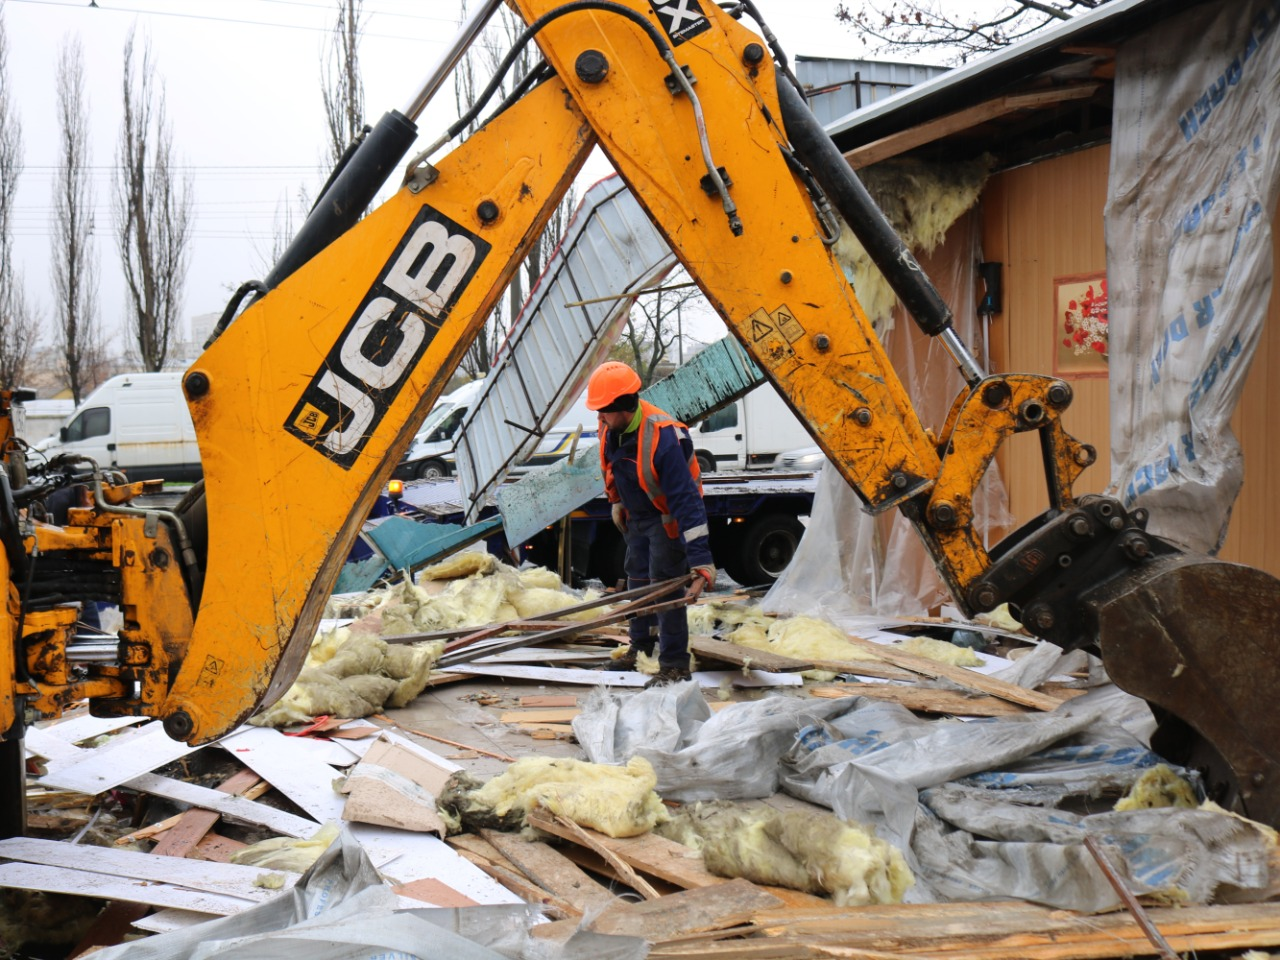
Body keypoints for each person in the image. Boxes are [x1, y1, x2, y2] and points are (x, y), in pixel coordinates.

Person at [585, 360, 716, 687]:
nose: (598, 417)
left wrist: (700, 559)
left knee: (664, 585)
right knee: (638, 582)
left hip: (666, 518)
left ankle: (673, 664)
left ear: (624, 407)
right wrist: (615, 500)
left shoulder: (665, 437)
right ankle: (641, 649)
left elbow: (687, 501)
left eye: (603, 410)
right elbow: (609, 466)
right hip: (636, 516)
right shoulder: (610, 427)